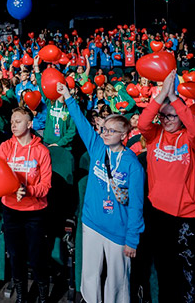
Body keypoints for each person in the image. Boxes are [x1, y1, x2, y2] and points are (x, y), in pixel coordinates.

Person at [57, 82, 144, 303]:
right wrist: (67, 95)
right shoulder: (97, 147)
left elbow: (136, 205)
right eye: (104, 129)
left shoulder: (132, 164)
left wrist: (132, 239)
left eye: (111, 131)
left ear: (124, 135)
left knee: (117, 281)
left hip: (118, 230)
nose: (105, 133)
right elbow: (81, 122)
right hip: (92, 223)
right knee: (89, 275)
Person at [138, 69, 195, 302]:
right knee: (165, 268)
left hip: (189, 213)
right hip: (159, 213)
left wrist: (174, 98)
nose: (166, 120)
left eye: (172, 116)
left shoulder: (191, 138)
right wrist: (161, 96)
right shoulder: (154, 135)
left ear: (181, 116)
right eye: (163, 116)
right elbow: (143, 122)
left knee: (191, 271)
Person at [0, 107, 53, 302]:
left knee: (37, 257)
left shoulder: (42, 151)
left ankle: (43, 296)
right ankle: (21, 295)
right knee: (15, 255)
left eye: (18, 121)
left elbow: (46, 186)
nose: (13, 125)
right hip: (11, 210)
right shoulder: (5, 147)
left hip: (34, 212)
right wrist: (12, 189)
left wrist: (28, 190)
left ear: (29, 124)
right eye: (12, 121)